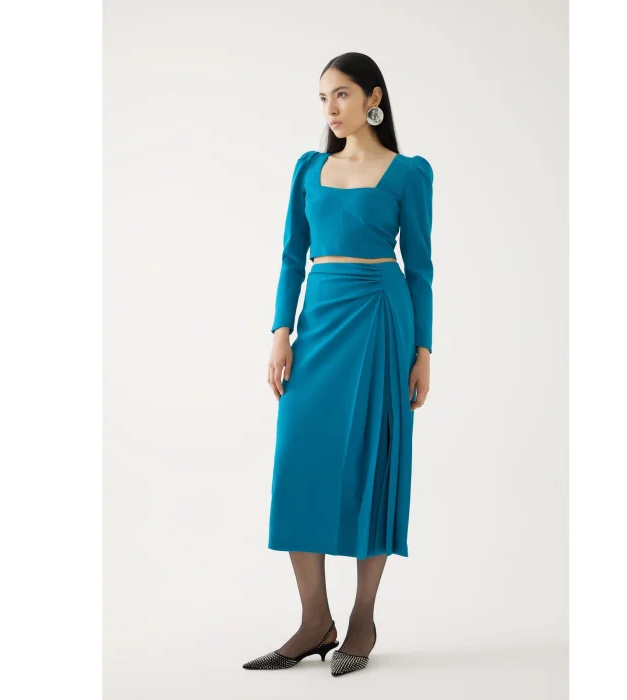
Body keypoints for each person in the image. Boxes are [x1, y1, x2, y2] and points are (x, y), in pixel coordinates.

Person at [244, 52, 433, 677]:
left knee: (373, 463)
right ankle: (312, 621)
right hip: (320, 319)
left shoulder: (407, 173)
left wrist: (424, 350)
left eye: (343, 94)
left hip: (381, 318)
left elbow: (421, 268)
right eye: (324, 97)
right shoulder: (308, 168)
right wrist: (281, 332)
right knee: (299, 459)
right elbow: (291, 256)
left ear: (373, 97)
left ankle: (361, 620)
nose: (331, 108)